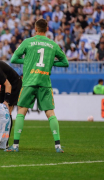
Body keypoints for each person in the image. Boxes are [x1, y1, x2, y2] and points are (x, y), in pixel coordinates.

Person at [6, 19, 69, 153]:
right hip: (44, 83)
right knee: (51, 113)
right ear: (47, 29)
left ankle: (15, 146)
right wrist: (51, 63)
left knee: (21, 112)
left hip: (29, 82)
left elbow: (13, 59)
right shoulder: (53, 44)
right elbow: (65, 63)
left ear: (35, 28)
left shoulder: (28, 42)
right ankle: (58, 146)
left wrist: (28, 61)